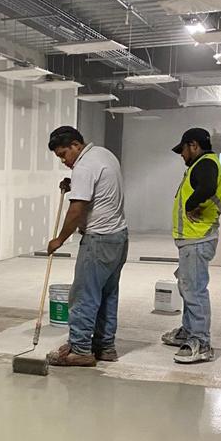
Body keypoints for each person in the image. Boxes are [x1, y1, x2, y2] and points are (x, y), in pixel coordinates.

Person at [45, 126, 129, 367]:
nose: (63, 161)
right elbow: (100, 189)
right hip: (119, 237)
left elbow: (77, 209)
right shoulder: (104, 154)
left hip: (98, 240)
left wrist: (59, 239)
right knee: (108, 294)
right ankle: (105, 347)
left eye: (63, 154)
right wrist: (73, 184)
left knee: (84, 296)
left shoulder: (83, 166)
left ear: (76, 145)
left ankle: (80, 349)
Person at [162, 128, 221, 364]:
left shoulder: (205, 163)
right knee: (188, 287)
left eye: (183, 150)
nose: (182, 155)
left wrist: (190, 204)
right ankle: (188, 332)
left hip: (198, 239)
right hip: (192, 239)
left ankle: (201, 342)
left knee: (195, 291)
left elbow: (207, 187)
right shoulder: (201, 165)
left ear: (194, 145)